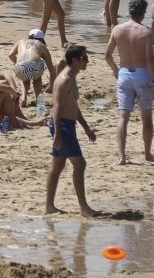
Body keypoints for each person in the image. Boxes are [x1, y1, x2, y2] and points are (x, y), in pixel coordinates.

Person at [45, 45, 99, 217]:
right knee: (80, 164)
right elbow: (57, 108)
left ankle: (49, 206)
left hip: (68, 124)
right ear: (74, 61)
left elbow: (73, 107)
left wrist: (86, 127)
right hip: (62, 126)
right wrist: (58, 135)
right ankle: (84, 207)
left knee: (58, 165)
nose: (87, 61)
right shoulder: (64, 80)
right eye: (84, 58)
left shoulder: (73, 78)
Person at [105, 0, 154, 164]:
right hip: (142, 73)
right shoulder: (147, 32)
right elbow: (150, 59)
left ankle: (122, 156)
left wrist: (116, 71)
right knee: (146, 116)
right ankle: (147, 154)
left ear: (129, 11)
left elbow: (107, 55)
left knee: (123, 116)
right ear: (143, 13)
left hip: (125, 73)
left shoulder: (118, 29)